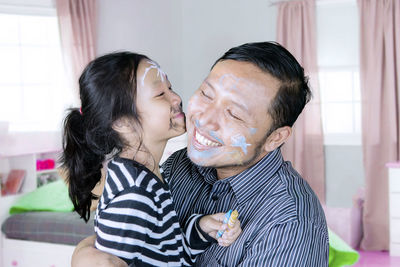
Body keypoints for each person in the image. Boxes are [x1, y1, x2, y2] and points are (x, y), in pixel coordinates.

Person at [72, 42, 329, 266]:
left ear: (275, 138)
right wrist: (84, 255)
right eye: (206, 94)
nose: (203, 118)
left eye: (234, 113)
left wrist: (86, 254)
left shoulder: (289, 226)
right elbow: (154, 245)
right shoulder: (177, 166)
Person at [61, 52, 241, 267]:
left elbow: (166, 251)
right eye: (160, 94)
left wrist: (201, 228)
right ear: (122, 123)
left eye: (170, 88)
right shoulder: (134, 193)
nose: (176, 98)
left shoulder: (147, 175)